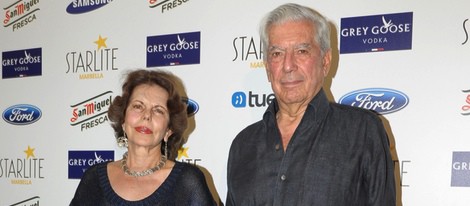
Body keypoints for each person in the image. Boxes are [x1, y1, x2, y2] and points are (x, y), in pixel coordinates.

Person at [226, 3, 396, 206]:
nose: (288, 65)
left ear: (325, 62)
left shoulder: (363, 131)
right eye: (277, 54)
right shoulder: (243, 145)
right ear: (267, 68)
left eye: (301, 51)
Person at [71, 69, 216, 205]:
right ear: (123, 119)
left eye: (158, 110)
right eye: (138, 106)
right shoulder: (93, 179)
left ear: (169, 130)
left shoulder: (188, 182)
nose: (147, 115)